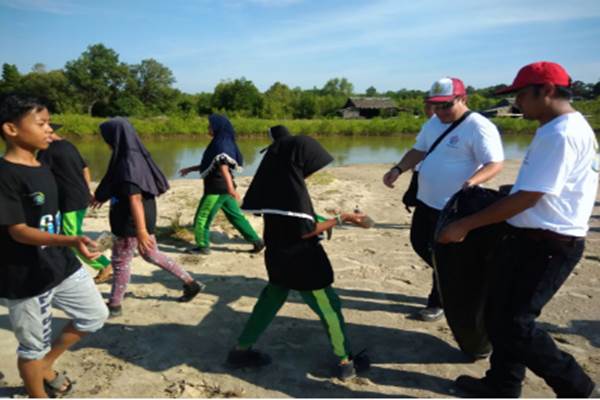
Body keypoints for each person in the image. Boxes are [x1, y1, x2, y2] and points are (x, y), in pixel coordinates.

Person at [438, 61, 599, 398]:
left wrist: (465, 224)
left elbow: (530, 197)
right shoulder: (556, 127)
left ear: (548, 91)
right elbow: (538, 187)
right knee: (498, 314)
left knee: (516, 324)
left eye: (522, 94)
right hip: (526, 237)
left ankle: (577, 388)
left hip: (550, 244)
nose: (517, 102)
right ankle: (503, 383)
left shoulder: (562, 134)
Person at [226, 131, 370, 380]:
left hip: (277, 259)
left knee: (268, 303)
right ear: (298, 162)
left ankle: (240, 350)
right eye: (310, 165)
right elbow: (306, 230)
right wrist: (342, 218)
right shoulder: (293, 191)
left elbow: (289, 220)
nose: (311, 171)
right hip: (303, 263)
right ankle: (346, 361)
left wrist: (322, 218)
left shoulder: (276, 184)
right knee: (329, 308)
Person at [0, 95, 108, 398]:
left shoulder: (44, 163)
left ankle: (46, 365)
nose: (50, 130)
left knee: (94, 315)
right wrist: (71, 240)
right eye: (42, 123)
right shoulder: (6, 174)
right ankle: (37, 391)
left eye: (49, 123)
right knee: (32, 347)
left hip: (60, 264)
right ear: (11, 128)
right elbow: (19, 231)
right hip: (25, 274)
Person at [382, 77, 504, 322]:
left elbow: (495, 163)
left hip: (454, 208)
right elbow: (419, 150)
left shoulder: (478, 126)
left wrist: (473, 181)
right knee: (420, 243)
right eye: (435, 105)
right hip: (426, 201)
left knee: (444, 254)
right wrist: (398, 169)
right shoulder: (434, 123)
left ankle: (438, 300)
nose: (440, 111)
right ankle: (457, 279)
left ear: (463, 99)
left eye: (446, 105)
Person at [91, 117, 204, 317]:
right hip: (142, 215)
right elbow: (114, 181)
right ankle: (190, 283)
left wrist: (141, 231)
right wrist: (101, 195)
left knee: (120, 261)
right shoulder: (133, 155)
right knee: (151, 253)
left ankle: (115, 304)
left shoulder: (128, 161)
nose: (105, 141)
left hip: (132, 221)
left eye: (106, 137)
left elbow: (134, 198)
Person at [37, 125, 114, 284]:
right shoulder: (68, 145)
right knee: (67, 235)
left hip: (69, 201)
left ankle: (105, 265)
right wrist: (87, 190)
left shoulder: (47, 151)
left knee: (71, 238)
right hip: (79, 197)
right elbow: (85, 168)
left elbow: (38, 176)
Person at [179, 114, 264, 255]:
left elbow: (223, 166)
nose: (208, 128)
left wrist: (231, 188)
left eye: (210, 126)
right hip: (224, 188)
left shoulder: (220, 144)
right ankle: (257, 241)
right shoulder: (223, 141)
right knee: (236, 216)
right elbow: (212, 163)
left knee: (202, 217)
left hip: (217, 189)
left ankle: (203, 246)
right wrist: (190, 169)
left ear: (217, 127)